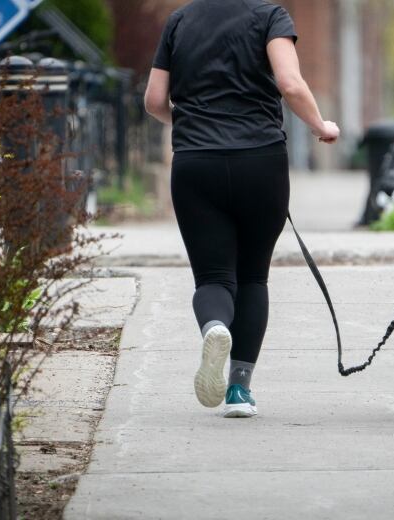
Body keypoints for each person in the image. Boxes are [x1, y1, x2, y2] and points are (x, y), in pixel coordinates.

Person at [144, 0, 339, 418]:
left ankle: (214, 328)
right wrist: (321, 126)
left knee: (213, 277)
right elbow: (290, 83)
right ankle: (238, 391)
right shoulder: (270, 16)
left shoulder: (179, 21)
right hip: (260, 161)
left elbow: (155, 98)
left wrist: (189, 124)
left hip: (196, 164)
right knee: (253, 276)